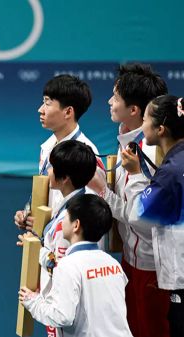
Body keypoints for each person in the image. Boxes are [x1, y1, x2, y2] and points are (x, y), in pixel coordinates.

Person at [102, 63, 170, 337]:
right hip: (131, 261)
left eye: (115, 97)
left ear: (134, 110)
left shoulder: (153, 153)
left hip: (152, 267)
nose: (109, 101)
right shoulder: (127, 143)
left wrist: (103, 193)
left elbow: (142, 217)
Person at [19, 194, 132, 337]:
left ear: (76, 225)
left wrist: (33, 301)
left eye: (65, 217)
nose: (61, 222)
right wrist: (37, 249)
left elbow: (62, 317)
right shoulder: (113, 264)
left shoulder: (68, 266)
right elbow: (69, 269)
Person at [119, 95, 184, 337]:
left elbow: (139, 214)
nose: (141, 126)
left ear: (160, 128)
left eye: (145, 119)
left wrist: (135, 175)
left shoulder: (171, 172)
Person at [14, 74, 102, 230]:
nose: (40, 110)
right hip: (49, 242)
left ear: (68, 112)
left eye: (47, 103)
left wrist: (49, 227)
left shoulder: (87, 154)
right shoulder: (47, 147)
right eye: (43, 102)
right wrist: (28, 212)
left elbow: (91, 212)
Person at [17, 140, 97, 308]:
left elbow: (59, 268)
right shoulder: (79, 201)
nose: (48, 171)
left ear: (65, 178)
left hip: (60, 302)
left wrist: (34, 249)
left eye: (52, 167)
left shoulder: (69, 221)